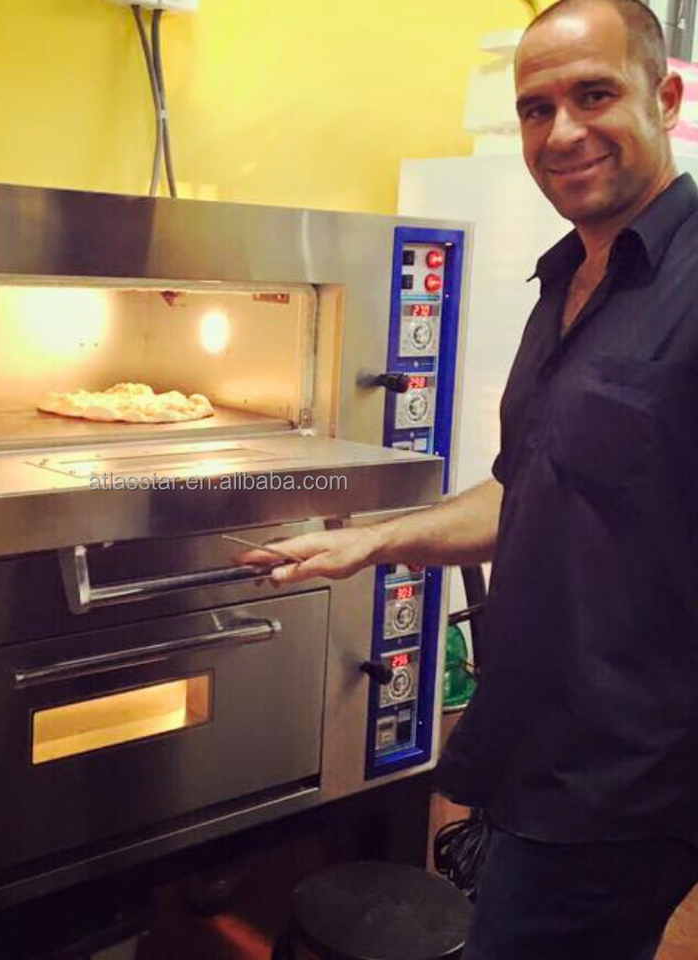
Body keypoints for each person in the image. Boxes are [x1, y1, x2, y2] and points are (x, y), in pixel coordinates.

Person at [244, 1, 698, 956]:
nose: (561, 133)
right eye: (536, 108)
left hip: (627, 780)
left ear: (664, 96)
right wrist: (372, 540)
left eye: (594, 95)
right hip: (530, 739)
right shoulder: (567, 278)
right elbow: (533, 487)